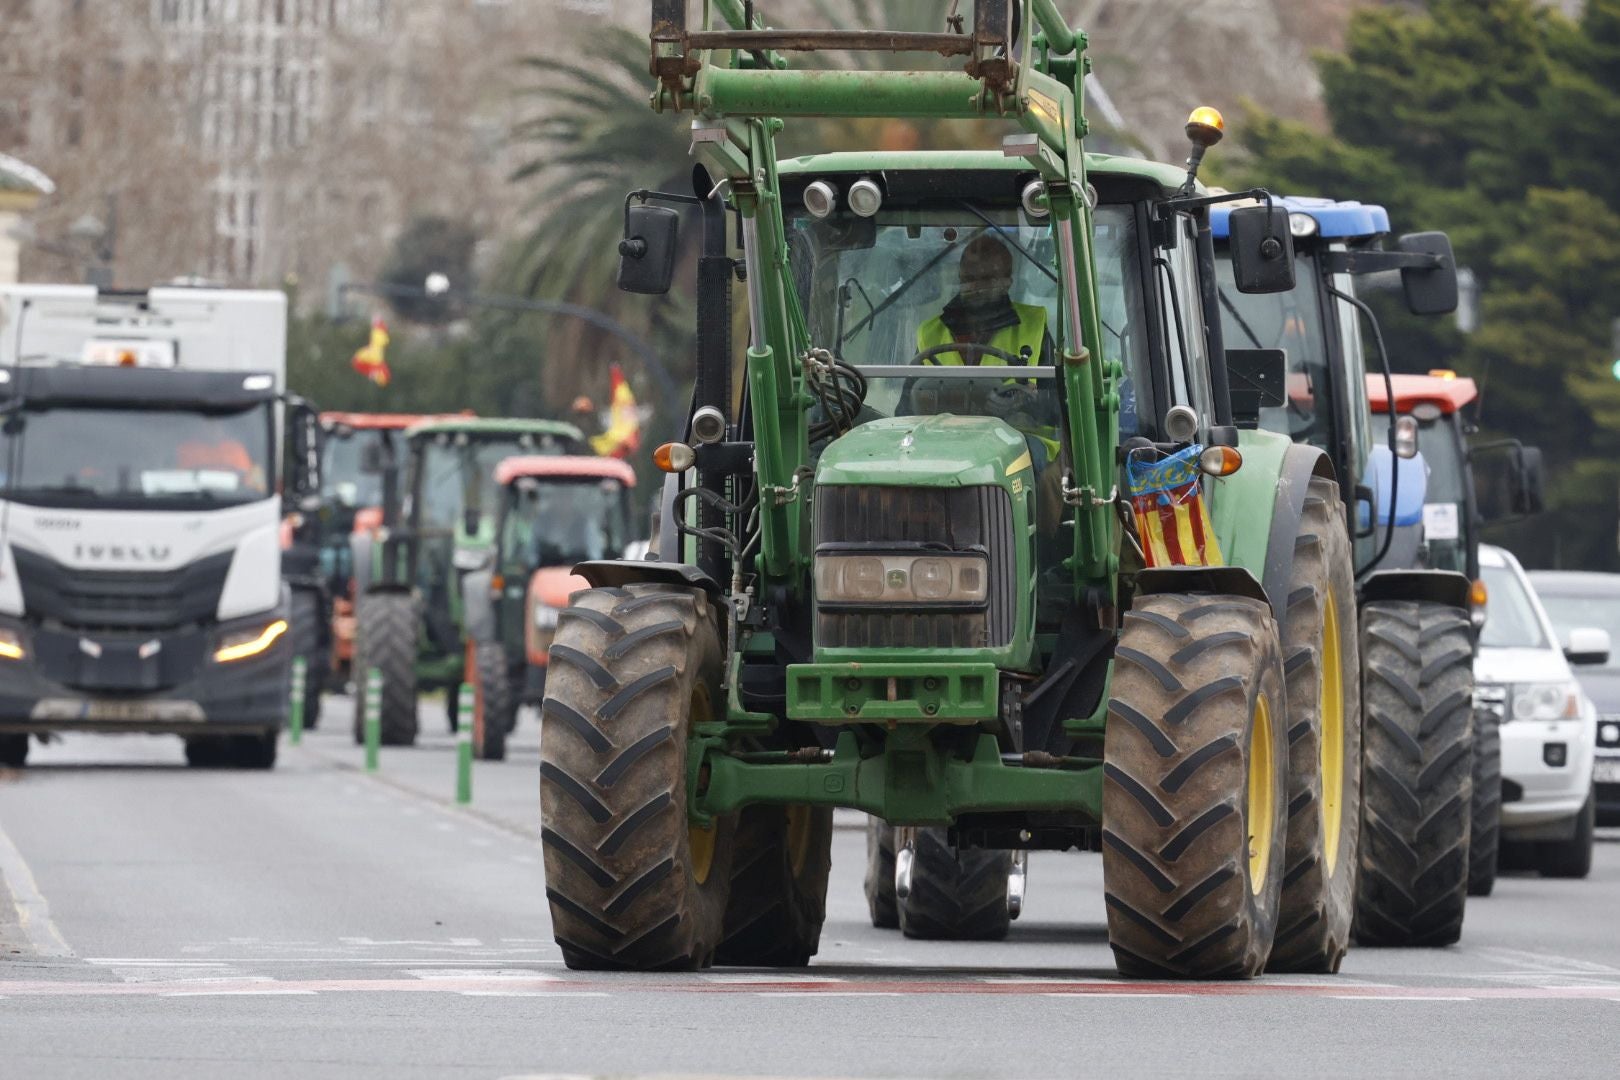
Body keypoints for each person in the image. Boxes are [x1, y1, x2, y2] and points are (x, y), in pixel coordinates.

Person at [912, 233, 1064, 534]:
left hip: (1020, 438)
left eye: (988, 277)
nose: (977, 286)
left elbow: (1060, 405)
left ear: (1008, 280)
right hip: (941, 442)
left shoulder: (1035, 326)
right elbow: (905, 407)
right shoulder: (929, 333)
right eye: (970, 278)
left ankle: (1025, 548)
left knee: (1009, 471)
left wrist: (1026, 401)